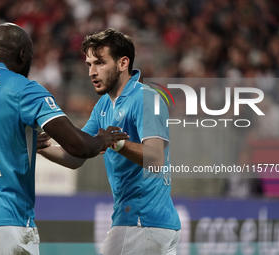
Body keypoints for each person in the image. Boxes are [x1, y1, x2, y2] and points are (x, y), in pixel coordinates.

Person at [0, 23, 128, 255]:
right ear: (22, 55)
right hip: (5, 221)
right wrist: (101, 140)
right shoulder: (24, 89)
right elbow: (78, 146)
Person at [39, 28, 181, 255]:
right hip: (149, 224)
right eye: (89, 65)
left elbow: (155, 159)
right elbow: (77, 155)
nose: (92, 72)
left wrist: (118, 144)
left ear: (123, 63)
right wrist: (42, 147)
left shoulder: (146, 97)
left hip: (140, 221)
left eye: (100, 63)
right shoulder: (104, 106)